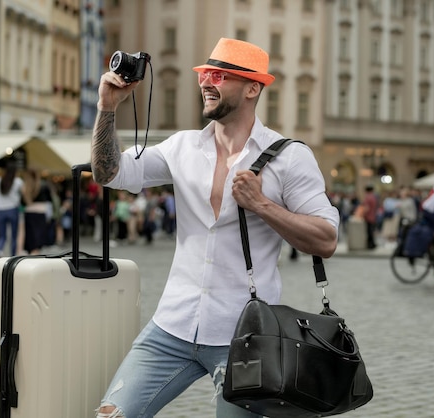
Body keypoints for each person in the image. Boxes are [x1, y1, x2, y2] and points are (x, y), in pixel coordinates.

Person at [91, 38, 339, 418]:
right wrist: (107, 108)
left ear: (253, 87)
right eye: (205, 74)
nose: (206, 82)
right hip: (171, 328)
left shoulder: (289, 158)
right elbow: (109, 174)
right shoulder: (182, 147)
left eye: (219, 76)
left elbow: (326, 239)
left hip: (245, 340)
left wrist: (261, 205)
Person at [0, 164, 23, 258]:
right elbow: (21, 196)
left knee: (2, 234)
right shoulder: (18, 181)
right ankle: (13, 254)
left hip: (0, 209)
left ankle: (0, 250)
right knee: (14, 235)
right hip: (13, 209)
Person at [21, 169, 53, 254]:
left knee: (31, 235)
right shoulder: (43, 185)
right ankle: (36, 251)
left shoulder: (25, 187)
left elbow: (22, 203)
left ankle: (32, 251)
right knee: (39, 234)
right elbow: (49, 199)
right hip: (41, 211)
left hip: (29, 211)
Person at [362, 185, 378, 249]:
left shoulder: (368, 197)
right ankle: (373, 243)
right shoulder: (374, 197)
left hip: (368, 217)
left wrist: (363, 214)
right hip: (373, 215)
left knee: (369, 231)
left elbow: (366, 208)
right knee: (372, 230)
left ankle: (370, 245)